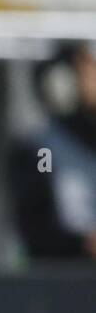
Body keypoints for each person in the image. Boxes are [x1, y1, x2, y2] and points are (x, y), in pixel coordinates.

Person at [12, 41, 96, 260]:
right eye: (88, 66)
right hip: (65, 273)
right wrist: (82, 243)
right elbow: (35, 220)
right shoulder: (45, 149)